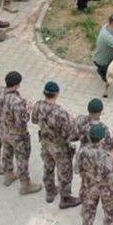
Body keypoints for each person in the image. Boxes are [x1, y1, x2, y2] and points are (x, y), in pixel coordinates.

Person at [32, 80, 79, 209]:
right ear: (57, 94)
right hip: (59, 148)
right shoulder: (61, 114)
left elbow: (34, 120)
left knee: (48, 167)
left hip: (45, 143)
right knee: (64, 172)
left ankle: (50, 191)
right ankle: (65, 198)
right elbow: (71, 135)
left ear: (44, 93)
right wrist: (73, 121)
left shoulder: (38, 106)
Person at [79, 123, 113, 225]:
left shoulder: (82, 152)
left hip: (89, 186)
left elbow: (77, 169)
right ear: (103, 139)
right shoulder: (107, 157)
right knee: (110, 215)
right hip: (106, 190)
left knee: (88, 211)